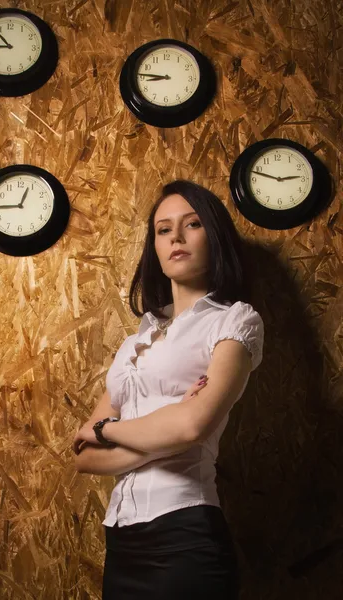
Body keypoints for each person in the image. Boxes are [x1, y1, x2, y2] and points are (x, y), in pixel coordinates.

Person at [73, 179, 265, 600]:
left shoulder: (234, 322)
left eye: (192, 224)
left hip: (186, 535)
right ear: (154, 247)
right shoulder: (135, 343)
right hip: (122, 542)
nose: (175, 237)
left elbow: (192, 427)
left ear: (213, 236)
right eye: (163, 229)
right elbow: (85, 458)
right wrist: (171, 424)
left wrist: (107, 428)